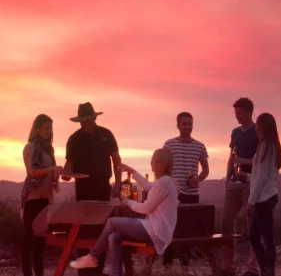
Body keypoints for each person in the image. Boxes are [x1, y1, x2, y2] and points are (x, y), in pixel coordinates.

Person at [69, 149, 179, 275]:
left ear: (160, 163)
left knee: (112, 222)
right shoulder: (164, 181)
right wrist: (131, 171)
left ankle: (92, 256)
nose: (150, 162)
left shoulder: (164, 182)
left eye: (152, 160)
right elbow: (149, 186)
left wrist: (127, 202)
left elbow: (146, 208)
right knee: (114, 236)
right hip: (154, 227)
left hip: (155, 230)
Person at [61, 102, 121, 275]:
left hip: (103, 188)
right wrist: (66, 174)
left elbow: (117, 160)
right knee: (84, 230)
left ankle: (98, 268)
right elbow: (69, 165)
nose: (85, 122)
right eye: (82, 120)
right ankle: (84, 270)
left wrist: (117, 183)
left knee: (101, 229)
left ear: (94, 118)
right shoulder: (74, 139)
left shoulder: (106, 134)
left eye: (88, 119)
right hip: (82, 189)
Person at [161, 111, 210, 268]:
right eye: (185, 123)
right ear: (178, 126)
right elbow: (162, 166)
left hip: (192, 195)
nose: (188, 126)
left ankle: (184, 266)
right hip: (173, 194)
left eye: (190, 123)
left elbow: (205, 170)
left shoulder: (200, 146)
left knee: (188, 232)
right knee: (170, 229)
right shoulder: (169, 144)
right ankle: (167, 266)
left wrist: (198, 179)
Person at [20, 114, 64, 276]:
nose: (49, 131)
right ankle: (27, 273)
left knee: (40, 241)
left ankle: (39, 273)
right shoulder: (30, 147)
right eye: (46, 127)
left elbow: (51, 176)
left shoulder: (49, 149)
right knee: (28, 239)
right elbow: (33, 172)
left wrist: (57, 173)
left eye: (50, 128)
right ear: (37, 128)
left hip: (46, 199)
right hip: (32, 199)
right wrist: (51, 169)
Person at [222, 97, 261, 276]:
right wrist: (227, 178)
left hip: (250, 183)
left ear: (248, 112)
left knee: (252, 224)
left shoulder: (258, 132)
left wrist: (243, 161)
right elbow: (231, 156)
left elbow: (262, 160)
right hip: (233, 183)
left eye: (239, 113)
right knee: (226, 223)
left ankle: (253, 267)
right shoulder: (235, 132)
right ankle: (229, 265)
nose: (236, 116)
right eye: (235, 113)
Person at [242, 113, 281, 276]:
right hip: (265, 197)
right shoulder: (269, 146)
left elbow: (263, 177)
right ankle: (266, 269)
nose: (256, 127)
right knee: (256, 236)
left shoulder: (267, 146)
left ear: (264, 126)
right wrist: (247, 177)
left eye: (258, 124)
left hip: (263, 199)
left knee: (266, 238)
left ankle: (269, 271)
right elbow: (261, 175)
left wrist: (251, 201)